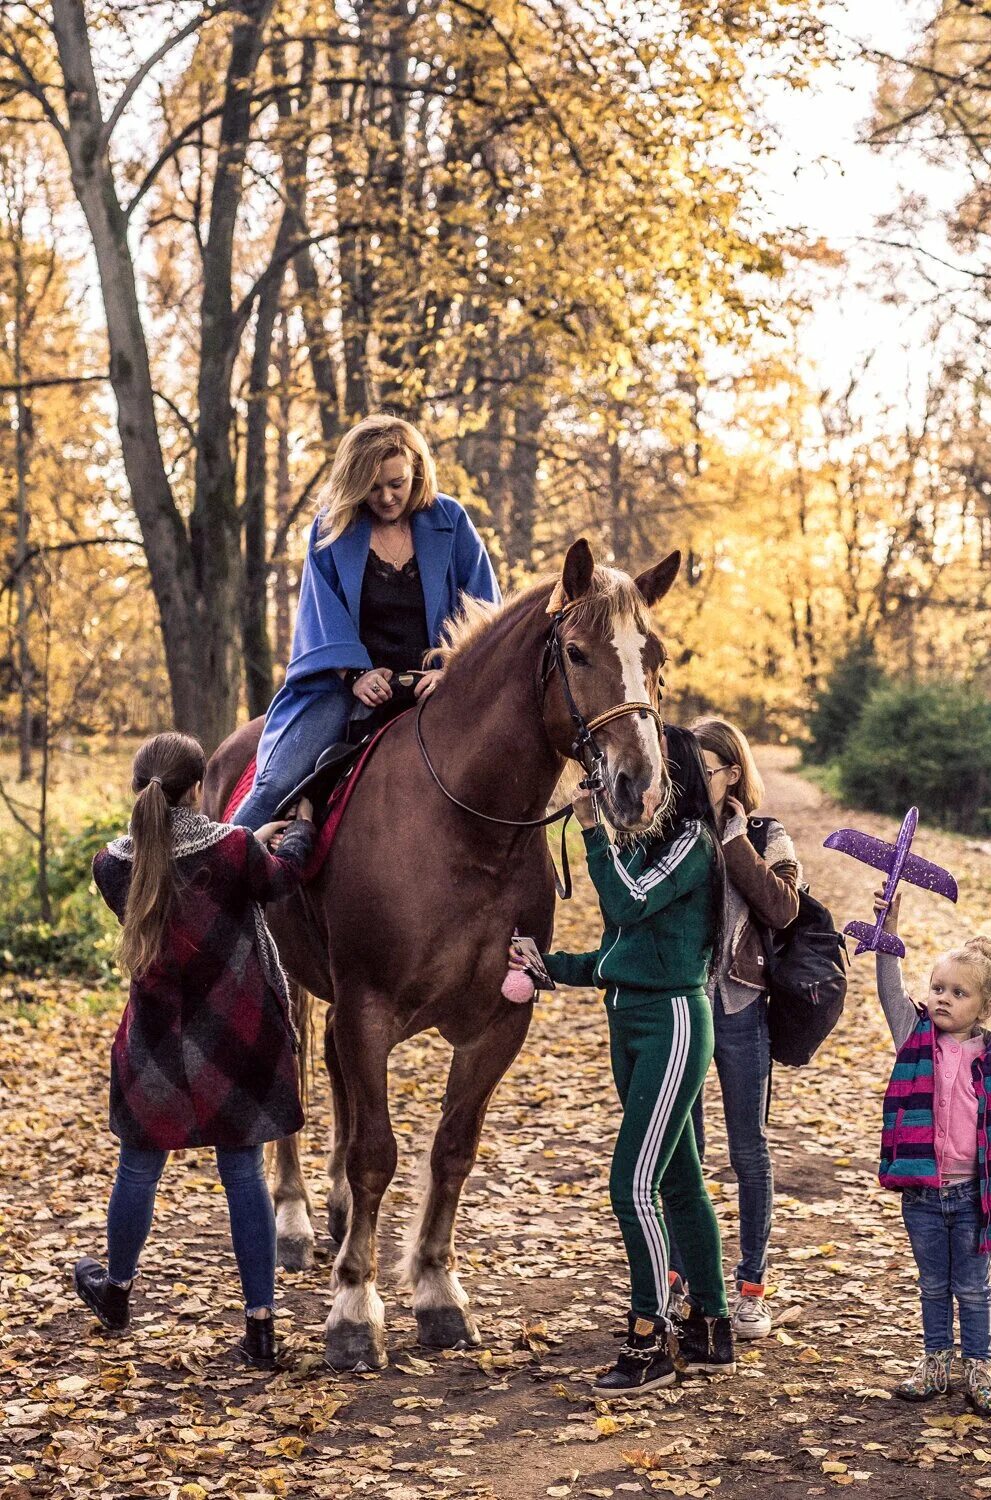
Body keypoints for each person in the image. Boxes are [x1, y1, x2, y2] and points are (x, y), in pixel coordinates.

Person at [74, 732, 315, 1368]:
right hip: (235, 1040)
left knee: (138, 1167)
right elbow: (280, 881)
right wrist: (299, 830)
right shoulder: (233, 849)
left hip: (157, 1046)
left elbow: (181, 876)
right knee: (243, 1174)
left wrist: (248, 845)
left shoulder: (112, 864)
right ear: (198, 788)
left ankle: (116, 1292)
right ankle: (260, 1331)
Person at [513, 727, 733, 1397]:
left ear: (679, 781)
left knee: (630, 1186)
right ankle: (710, 1325)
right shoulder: (646, 847)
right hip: (632, 1021)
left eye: (649, 773)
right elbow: (621, 953)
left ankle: (650, 1338)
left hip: (670, 1024)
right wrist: (547, 966)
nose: (631, 785)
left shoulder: (693, 844)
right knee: (677, 1183)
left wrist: (587, 831)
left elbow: (623, 903)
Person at [233, 413, 500, 830]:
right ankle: (212, 871)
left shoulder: (452, 521)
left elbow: (483, 611)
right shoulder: (333, 528)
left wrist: (452, 669)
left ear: (417, 471)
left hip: (438, 684)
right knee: (274, 785)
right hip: (348, 686)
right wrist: (355, 673)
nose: (388, 497)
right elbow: (321, 614)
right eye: (373, 487)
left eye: (397, 483)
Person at [873, 893, 991, 1417]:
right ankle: (936, 1361)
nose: (942, 999)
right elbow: (888, 990)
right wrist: (888, 931)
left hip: (974, 1197)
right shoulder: (914, 1037)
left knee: (974, 1286)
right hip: (922, 1193)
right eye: (937, 988)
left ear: (985, 1008)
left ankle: (978, 1367)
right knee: (933, 1284)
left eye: (958, 993)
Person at [667, 718, 798, 1340]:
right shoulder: (670, 831)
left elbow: (781, 907)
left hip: (742, 1007)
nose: (692, 778)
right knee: (681, 1153)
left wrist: (733, 837)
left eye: (705, 768)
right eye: (684, 766)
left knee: (749, 1150)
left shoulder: (770, 835)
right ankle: (680, 1280)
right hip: (685, 1005)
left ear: (734, 773)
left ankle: (750, 1286)